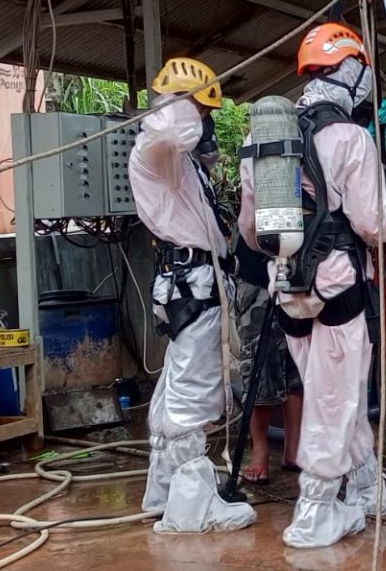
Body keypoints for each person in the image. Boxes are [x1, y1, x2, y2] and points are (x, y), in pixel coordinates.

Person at [238, 22, 386, 548]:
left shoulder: (263, 140)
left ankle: (366, 487)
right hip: (339, 290)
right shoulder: (348, 138)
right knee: (334, 401)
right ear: (352, 72)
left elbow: (248, 228)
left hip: (288, 290)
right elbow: (379, 224)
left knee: (338, 393)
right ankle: (314, 513)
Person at [129, 57, 254, 533]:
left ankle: (164, 493)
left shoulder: (178, 164)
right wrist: (183, 104)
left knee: (173, 394)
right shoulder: (156, 149)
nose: (205, 124)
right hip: (193, 285)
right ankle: (191, 509)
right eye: (204, 113)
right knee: (191, 398)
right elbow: (170, 131)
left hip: (197, 283)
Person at [229, 236, 303, 485]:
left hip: (302, 266)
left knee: (299, 365)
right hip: (258, 270)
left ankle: (294, 450)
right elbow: (249, 225)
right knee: (261, 362)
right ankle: (260, 451)